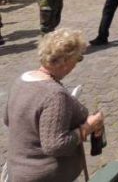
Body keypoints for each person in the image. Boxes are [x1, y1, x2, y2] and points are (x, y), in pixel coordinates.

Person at [3, 29, 104, 182]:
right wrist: (87, 127)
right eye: (78, 59)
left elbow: (7, 119)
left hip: (18, 171)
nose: (76, 64)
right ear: (65, 62)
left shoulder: (22, 80)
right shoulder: (54, 95)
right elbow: (55, 145)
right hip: (45, 176)